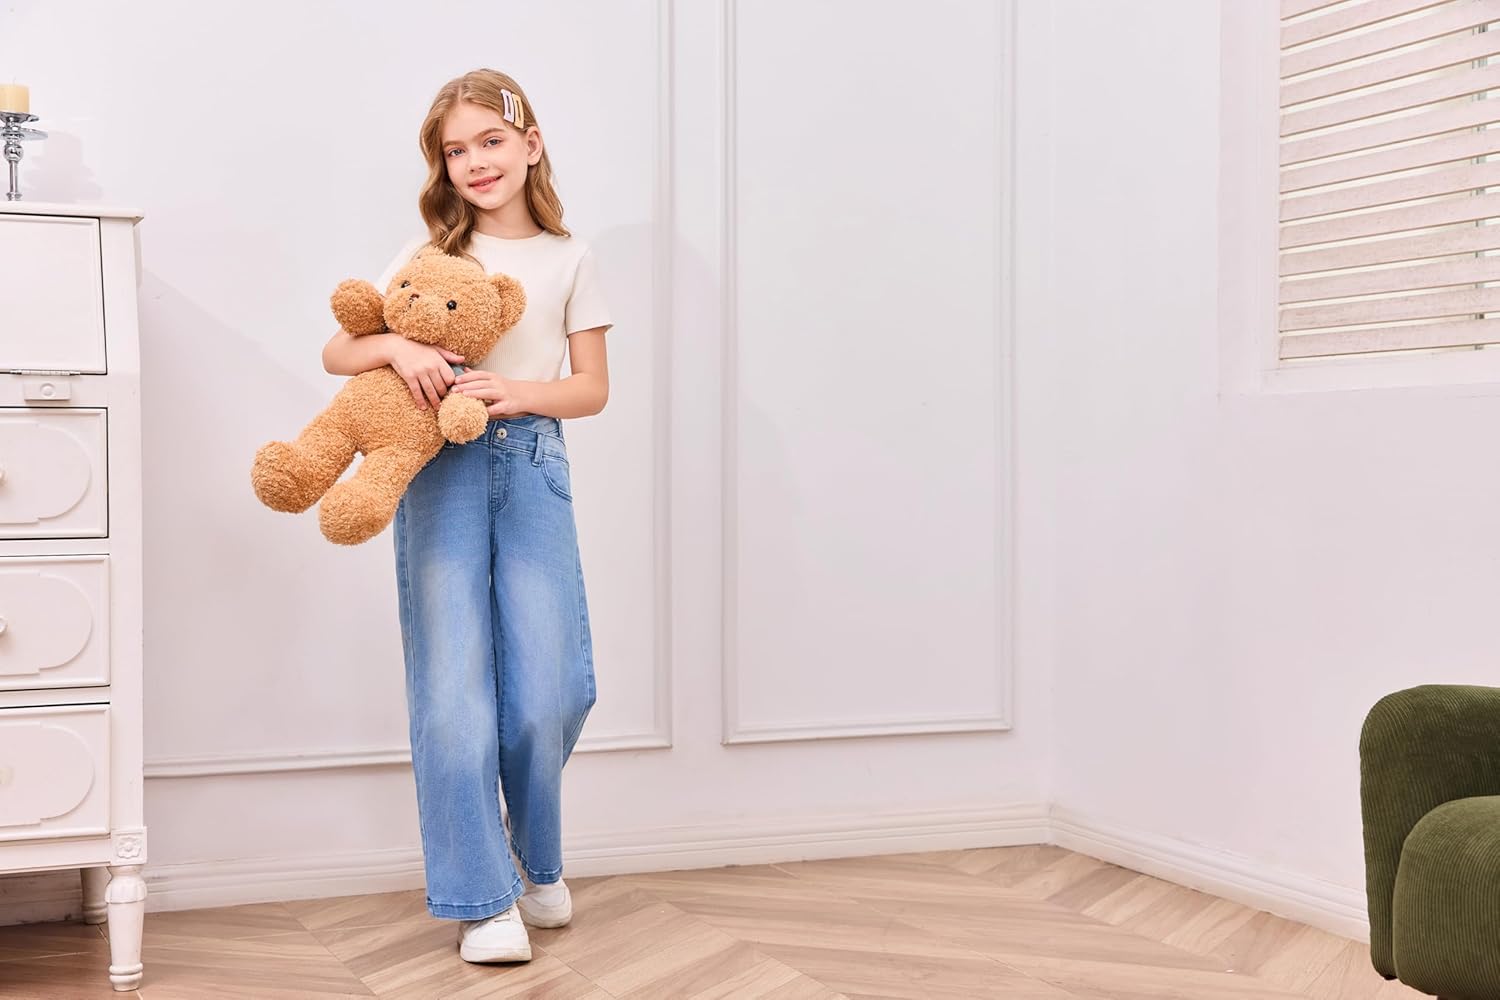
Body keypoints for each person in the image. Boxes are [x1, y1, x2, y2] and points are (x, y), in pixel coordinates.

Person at [321, 67, 611, 965]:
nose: (476, 162)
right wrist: (398, 345)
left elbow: (591, 389)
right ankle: (481, 899)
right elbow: (338, 349)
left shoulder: (570, 257)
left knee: (553, 688)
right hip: (437, 469)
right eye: (456, 151)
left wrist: (516, 393)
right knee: (453, 691)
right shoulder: (428, 255)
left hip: (531, 466)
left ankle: (536, 859)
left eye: (491, 140)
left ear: (530, 144)